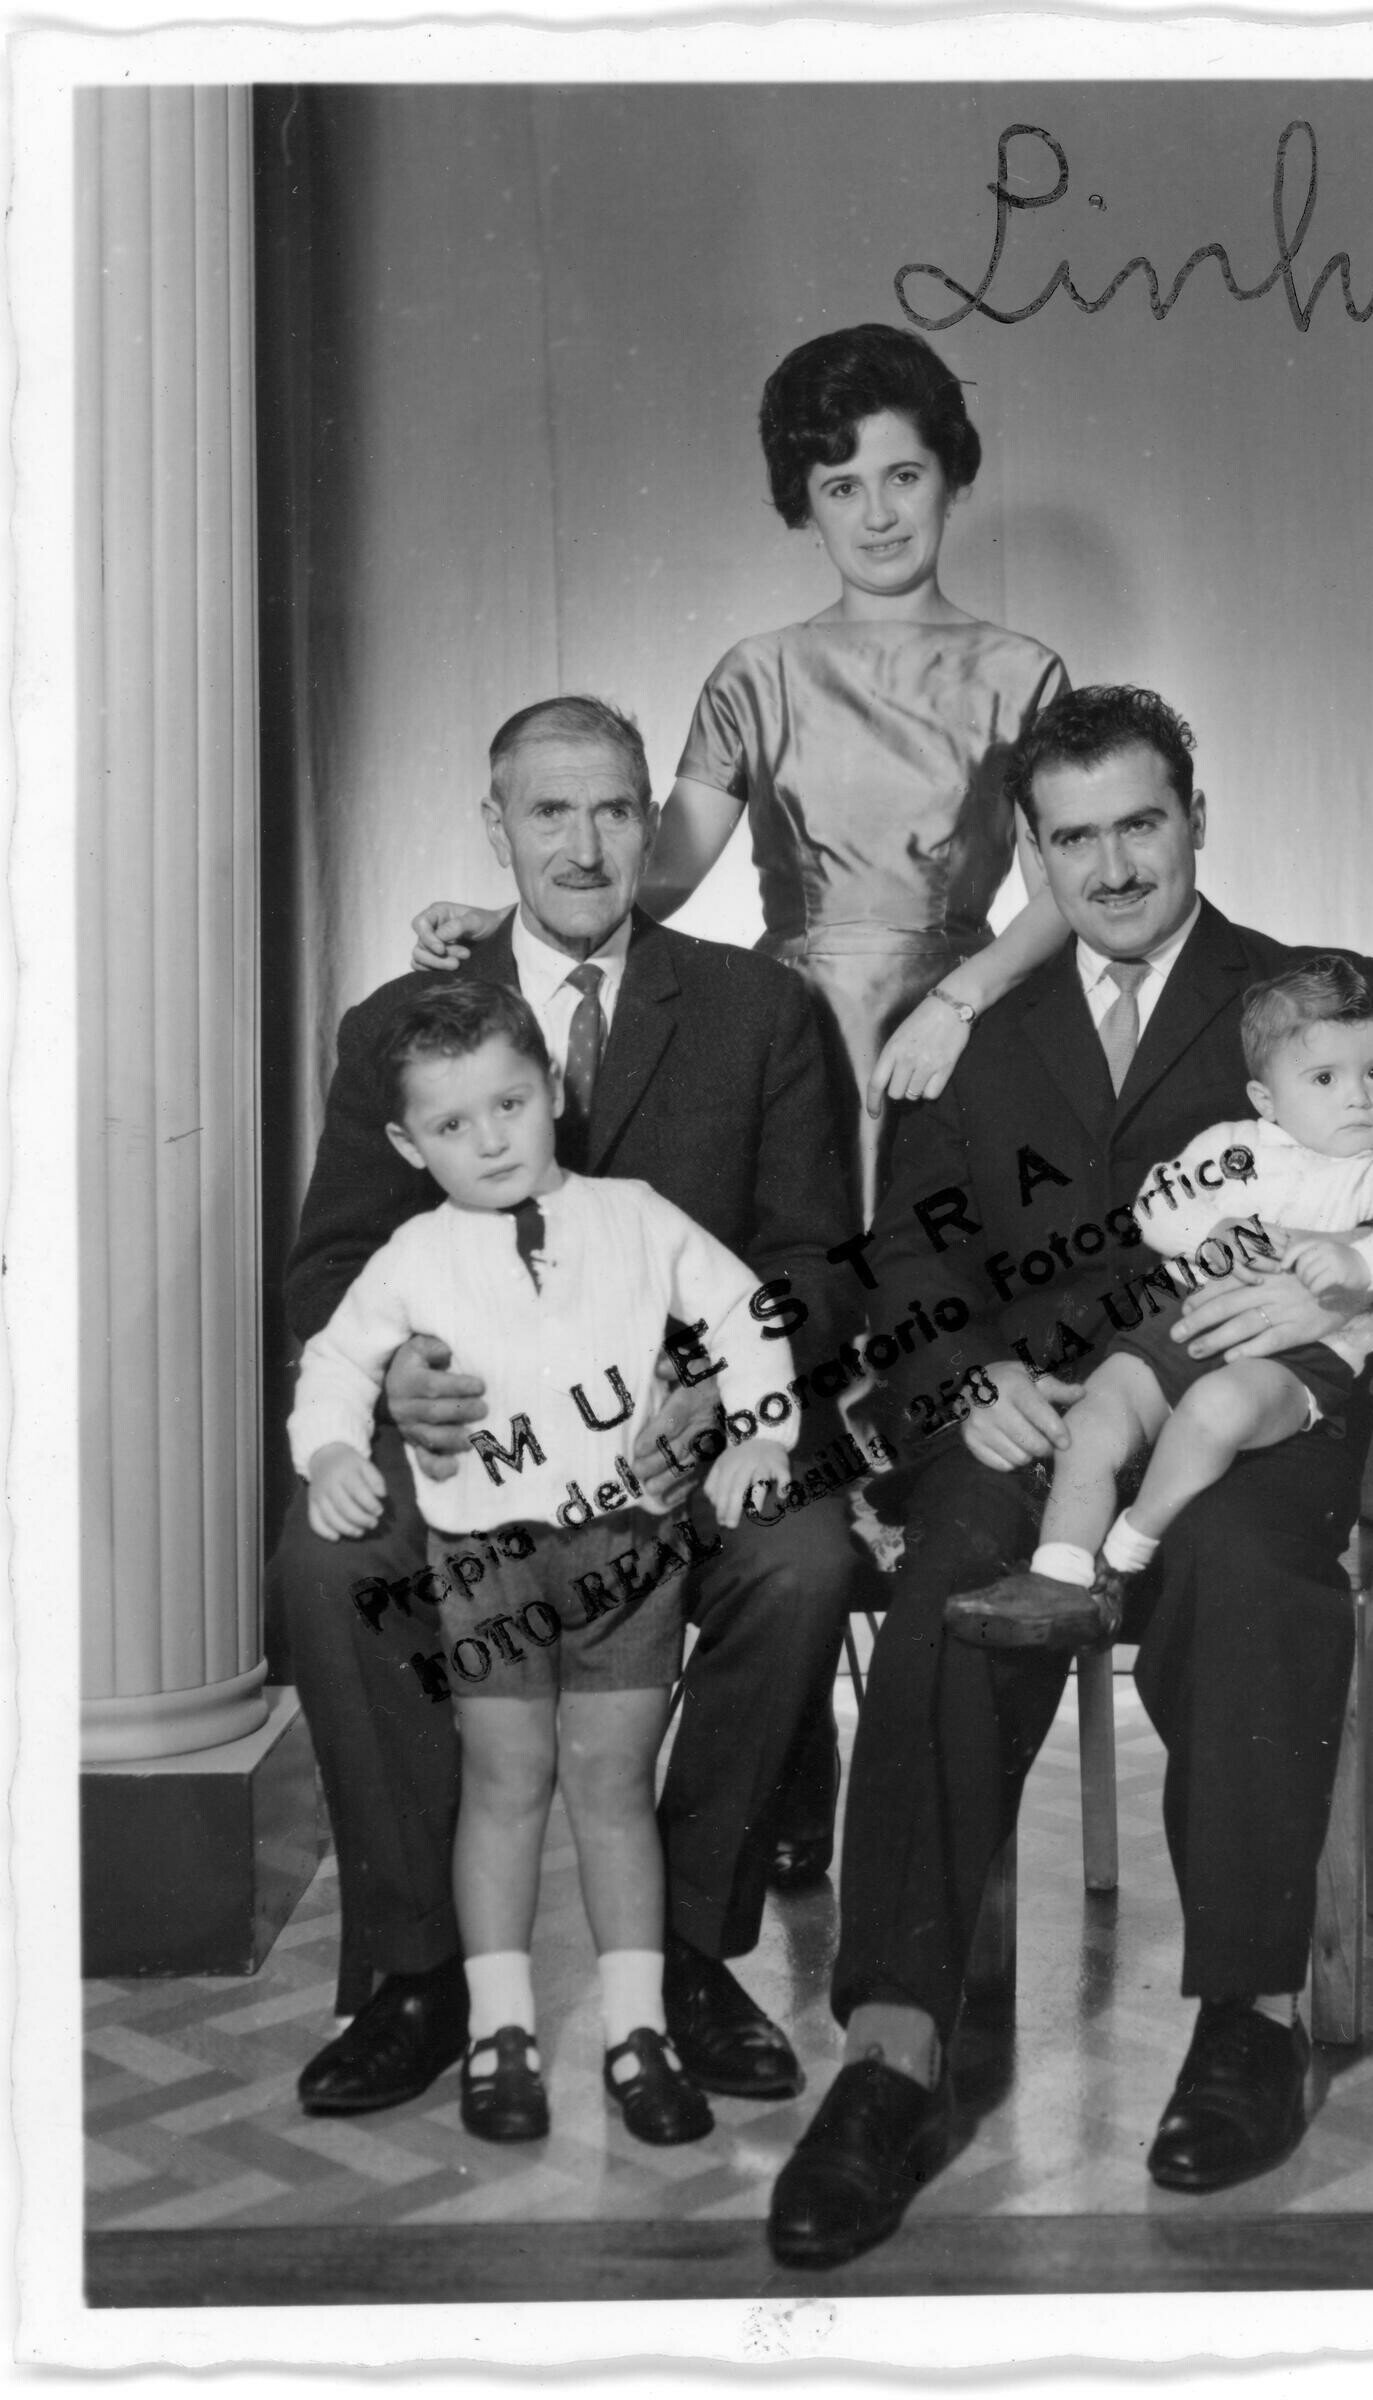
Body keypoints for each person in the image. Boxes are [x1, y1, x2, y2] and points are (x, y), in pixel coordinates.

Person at [764, 685, 1373, 2269]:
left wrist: (1344, 1291)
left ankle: (1246, 2015)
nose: (1111, 865)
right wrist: (965, 1381)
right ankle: (895, 2049)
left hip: (1253, 1415)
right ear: (1032, 855)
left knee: (1244, 1575)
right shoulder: (975, 1028)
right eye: (1074, 837)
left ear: (1195, 818)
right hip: (1041, 1425)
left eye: (1140, 824)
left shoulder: (1301, 1001)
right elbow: (908, 1251)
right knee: (951, 1601)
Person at [408, 322, 1078, 1881]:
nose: (878, 509)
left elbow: (1060, 891)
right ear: (803, 497)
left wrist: (964, 1002)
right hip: (794, 1030)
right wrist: (492, 906)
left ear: (951, 480)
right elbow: (649, 870)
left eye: (905, 474)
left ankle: (888, 1713)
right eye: (841, 481)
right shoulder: (757, 675)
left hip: (952, 1036)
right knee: (781, 1317)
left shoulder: (1019, 671)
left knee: (911, 1329)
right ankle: (791, 1743)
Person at [272, 694, 862, 2126]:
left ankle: (695, 1955)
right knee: (330, 1561)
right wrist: (400, 1386)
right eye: (551, 812)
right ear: (498, 828)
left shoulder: (759, 1009)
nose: (588, 846)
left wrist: (719, 1392)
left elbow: (816, 1270)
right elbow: (334, 1270)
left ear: (652, 823)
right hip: (476, 1446)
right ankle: (420, 1972)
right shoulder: (396, 1025)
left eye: (616, 810)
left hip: (676, 1436)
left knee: (797, 1563)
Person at [947, 954, 1373, 1647]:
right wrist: (1211, 1229)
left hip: (1292, 1359)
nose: (1359, 1098)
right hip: (1180, 1331)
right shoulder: (1232, 1147)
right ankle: (1060, 1576)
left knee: (1213, 1410)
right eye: (1324, 1078)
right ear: (1265, 1098)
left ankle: (1125, 1551)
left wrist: (1359, 1261)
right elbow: (1155, 1209)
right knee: (1098, 1413)